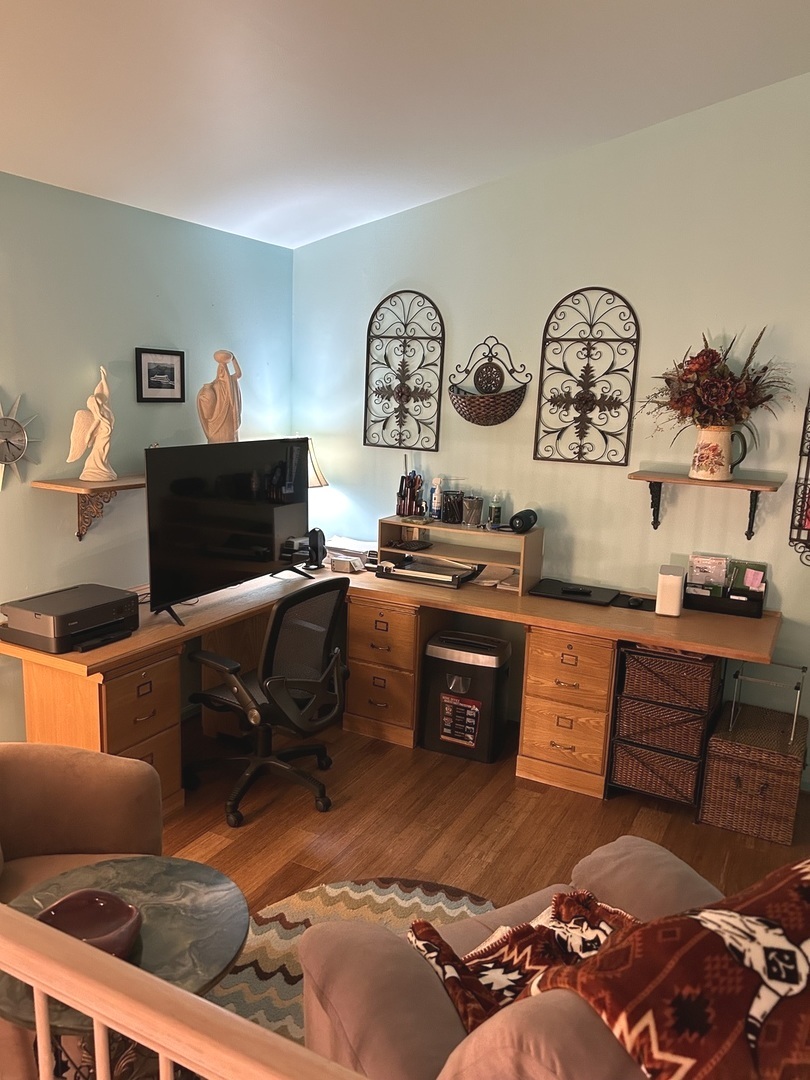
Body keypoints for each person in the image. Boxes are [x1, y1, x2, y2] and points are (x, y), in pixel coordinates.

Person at [67, 366, 117, 482]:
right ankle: (94, 468)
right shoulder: (97, 417)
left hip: (106, 437)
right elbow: (91, 429)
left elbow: (105, 393)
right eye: (97, 400)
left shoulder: (106, 411)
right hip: (100, 438)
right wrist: (87, 439)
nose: (100, 400)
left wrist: (104, 379)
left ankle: (103, 468)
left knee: (105, 452)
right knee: (99, 451)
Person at [197, 350, 242, 442]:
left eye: (223, 369)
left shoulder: (232, 381)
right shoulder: (214, 385)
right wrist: (204, 394)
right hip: (217, 423)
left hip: (229, 422)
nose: (221, 372)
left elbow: (239, 374)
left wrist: (233, 359)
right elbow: (208, 403)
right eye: (220, 369)